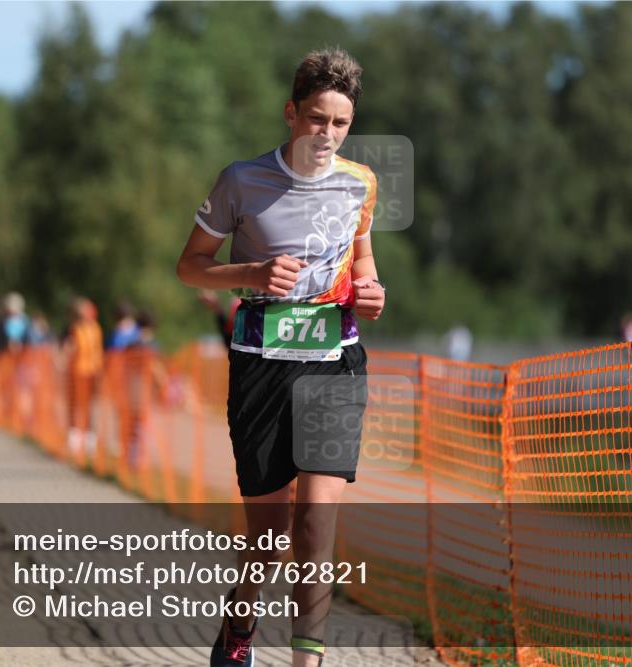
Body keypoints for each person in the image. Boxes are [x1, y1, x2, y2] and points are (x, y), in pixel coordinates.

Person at [177, 49, 384, 667]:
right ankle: (240, 623)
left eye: (340, 124)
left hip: (334, 361)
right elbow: (190, 267)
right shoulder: (241, 179)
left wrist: (373, 294)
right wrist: (253, 272)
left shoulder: (361, 183)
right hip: (262, 361)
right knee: (269, 538)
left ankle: (306, 660)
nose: (327, 134)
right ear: (292, 114)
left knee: (316, 527)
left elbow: (365, 265)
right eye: (317, 119)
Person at [63, 297, 103, 458]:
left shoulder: (92, 329)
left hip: (88, 372)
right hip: (79, 372)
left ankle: (88, 441)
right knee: (78, 406)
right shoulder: (78, 329)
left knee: (88, 407)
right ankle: (77, 440)